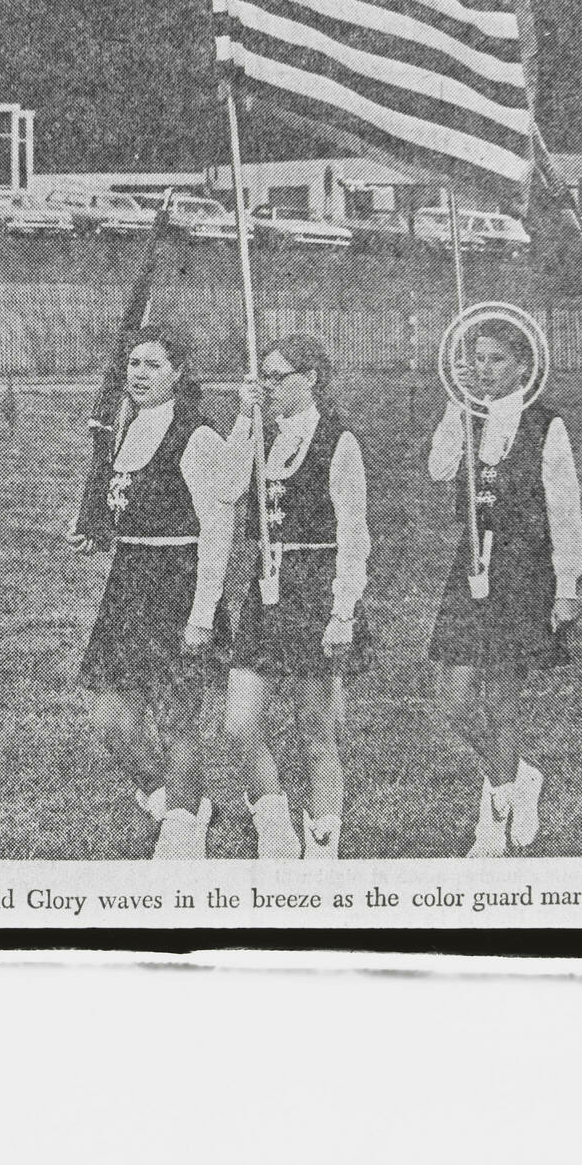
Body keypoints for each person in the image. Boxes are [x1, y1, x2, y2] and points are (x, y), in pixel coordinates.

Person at [70, 326, 236, 859]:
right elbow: (127, 505)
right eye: (133, 364)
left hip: (179, 582)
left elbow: (218, 528)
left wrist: (203, 614)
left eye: (152, 365)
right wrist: (96, 528)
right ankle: (168, 795)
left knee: (180, 716)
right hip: (129, 583)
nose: (138, 374)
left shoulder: (198, 435)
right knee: (111, 719)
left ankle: (185, 827)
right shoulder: (127, 427)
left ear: (179, 372)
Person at [425, 314, 582, 857]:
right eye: (478, 359)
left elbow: (564, 507)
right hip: (472, 564)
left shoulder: (545, 424)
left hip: (524, 571)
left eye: (497, 360)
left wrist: (567, 583)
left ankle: (491, 817)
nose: (486, 370)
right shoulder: (466, 417)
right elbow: (439, 469)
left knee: (500, 698)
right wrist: (455, 404)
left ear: (522, 366)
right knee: (453, 698)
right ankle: (519, 775)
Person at [217, 336, 370, 860]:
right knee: (240, 722)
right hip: (266, 590)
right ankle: (275, 824)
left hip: (315, 590)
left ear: (310, 380)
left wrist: (342, 611)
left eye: (280, 377)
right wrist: (244, 419)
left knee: (316, 733)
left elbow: (354, 533)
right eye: (265, 376)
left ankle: (322, 845)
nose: (270, 386)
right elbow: (226, 488)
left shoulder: (337, 441)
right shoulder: (260, 435)